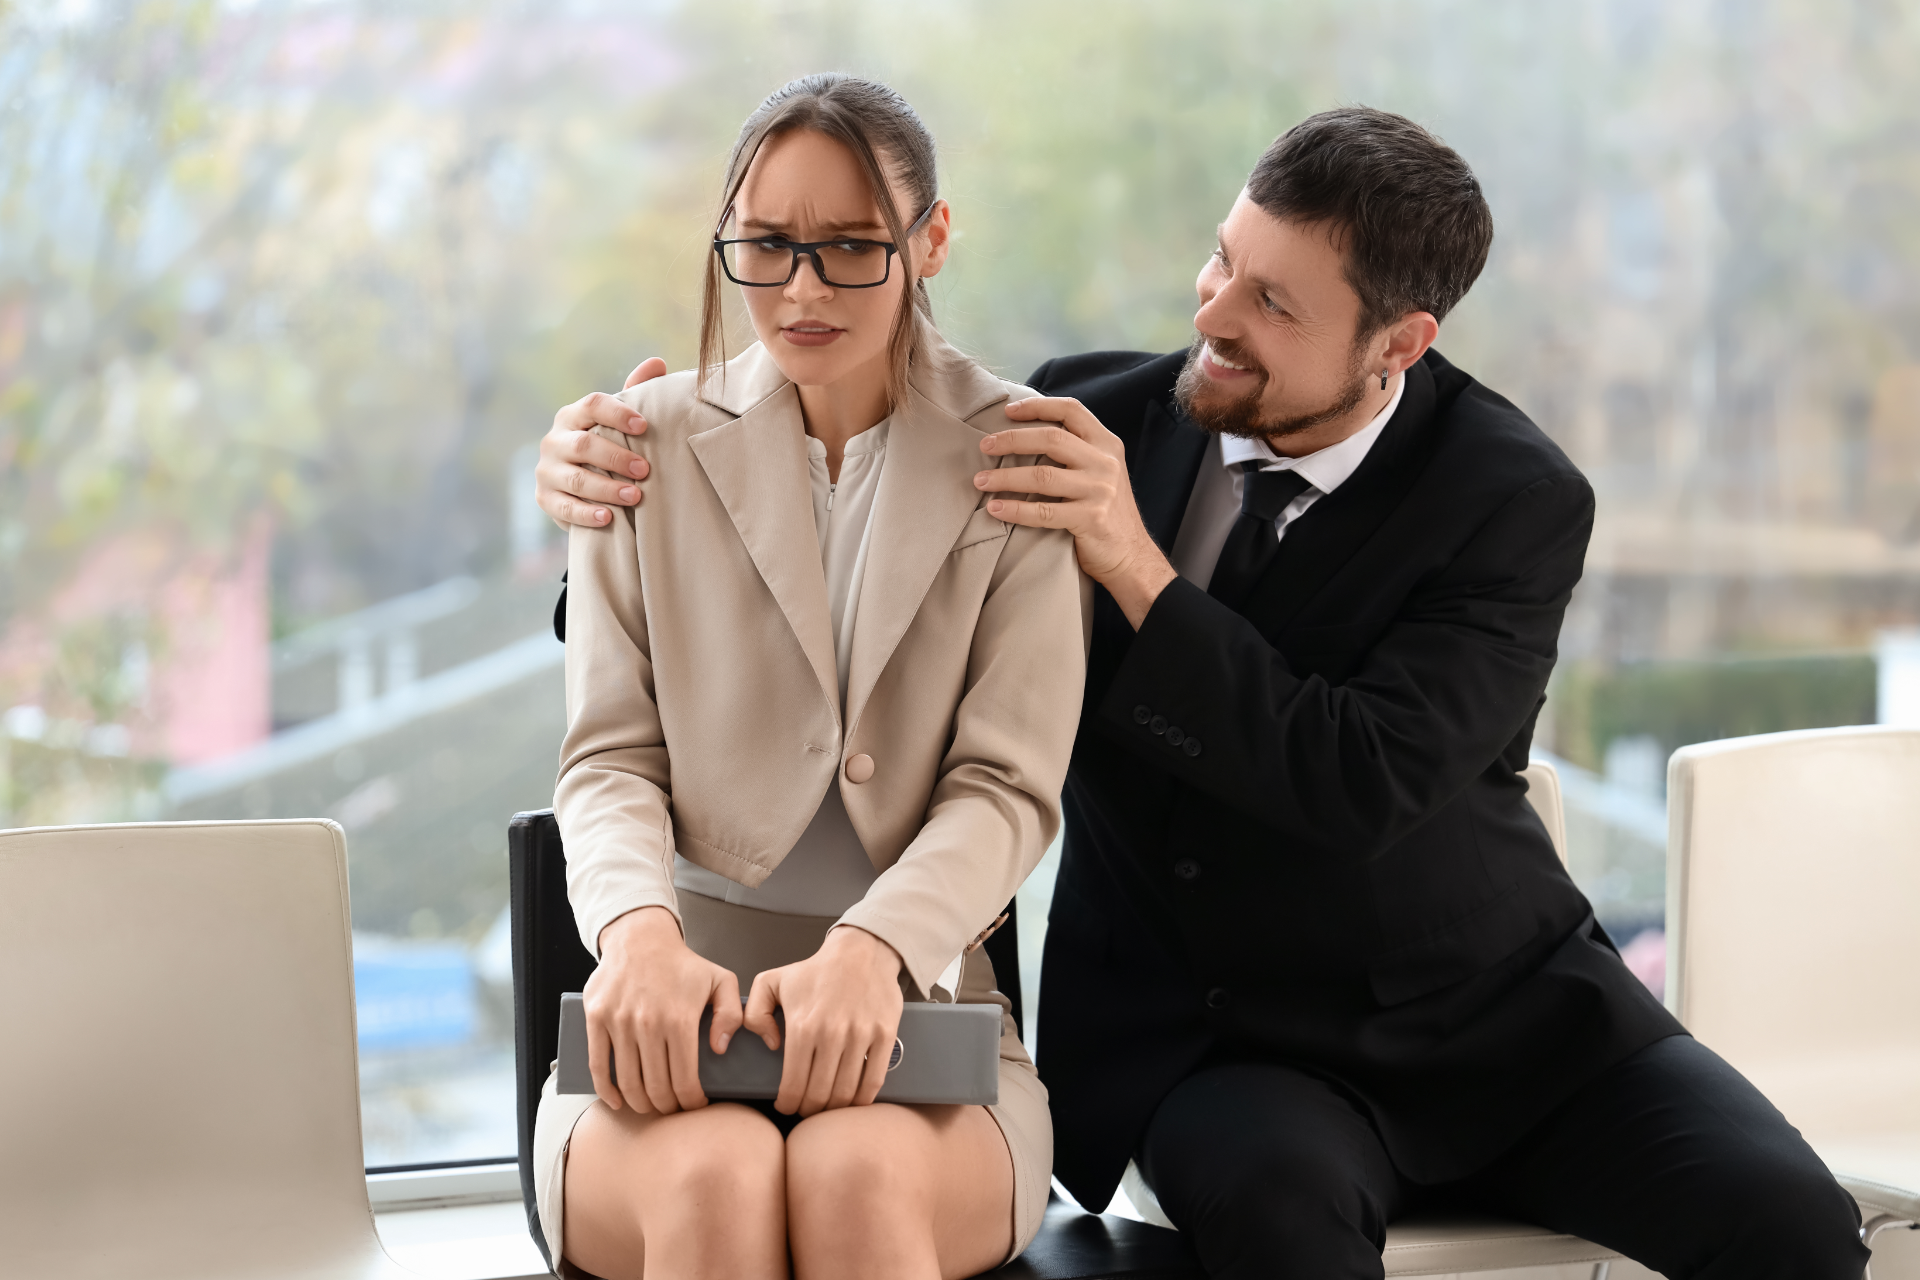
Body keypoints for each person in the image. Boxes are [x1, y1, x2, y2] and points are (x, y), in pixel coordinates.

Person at [537, 107, 1868, 1279]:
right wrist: (617, 506)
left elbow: (1359, 779)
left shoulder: (1511, 500)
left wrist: (1129, 561)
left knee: (1795, 1230)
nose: (1215, 315)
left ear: (1399, 340)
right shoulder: (1078, 422)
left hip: (1509, 1025)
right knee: (1279, 1228)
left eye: (1276, 304)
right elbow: (840, 640)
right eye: (1224, 261)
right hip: (1226, 1048)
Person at [535, 73, 1084, 1280]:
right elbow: (610, 758)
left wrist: (872, 950)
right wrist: (635, 936)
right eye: (768, 247)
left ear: (931, 237)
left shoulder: (1023, 456)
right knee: (716, 1175)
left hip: (929, 1021)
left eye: (848, 249)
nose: (800, 290)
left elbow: (1006, 785)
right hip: (662, 1013)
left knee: (855, 1172)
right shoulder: (639, 447)